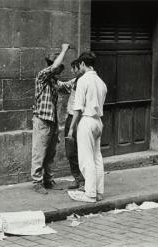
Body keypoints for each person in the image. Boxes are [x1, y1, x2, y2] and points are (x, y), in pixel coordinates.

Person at [67, 52, 107, 202]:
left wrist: (71, 128)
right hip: (98, 121)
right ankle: (99, 191)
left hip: (87, 120)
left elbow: (77, 108)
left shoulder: (83, 80)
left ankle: (90, 193)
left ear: (83, 64)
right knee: (97, 157)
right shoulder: (101, 82)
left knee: (86, 159)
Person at [31, 43, 70, 194]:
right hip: (41, 120)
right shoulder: (42, 76)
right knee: (39, 152)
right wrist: (64, 50)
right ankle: (37, 182)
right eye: (58, 67)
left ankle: (48, 180)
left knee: (50, 154)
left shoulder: (54, 82)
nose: (59, 71)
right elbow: (54, 68)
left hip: (52, 122)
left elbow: (66, 87)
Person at [58, 60, 85, 190]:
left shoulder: (86, 82)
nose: (73, 71)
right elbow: (62, 86)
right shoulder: (75, 81)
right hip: (70, 118)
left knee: (82, 150)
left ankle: (84, 178)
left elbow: (80, 108)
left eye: (75, 68)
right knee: (71, 151)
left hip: (81, 119)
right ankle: (77, 177)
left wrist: (73, 127)